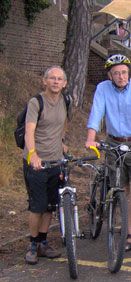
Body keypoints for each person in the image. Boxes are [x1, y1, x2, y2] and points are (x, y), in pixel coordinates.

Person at [85, 54, 131, 255]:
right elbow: (96, 114)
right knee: (122, 192)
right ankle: (129, 233)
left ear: (128, 73)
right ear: (110, 75)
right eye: (116, 73)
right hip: (114, 143)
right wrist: (91, 138)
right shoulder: (103, 89)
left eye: (124, 72)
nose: (121, 76)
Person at [23, 66, 70, 264]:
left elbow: (64, 122)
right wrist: (33, 154)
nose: (56, 82)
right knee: (37, 206)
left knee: (50, 205)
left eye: (60, 79)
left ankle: (43, 242)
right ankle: (32, 244)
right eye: (52, 78)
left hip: (55, 161)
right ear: (45, 81)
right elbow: (29, 131)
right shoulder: (36, 102)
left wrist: (62, 141)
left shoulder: (65, 101)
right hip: (37, 162)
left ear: (64, 83)